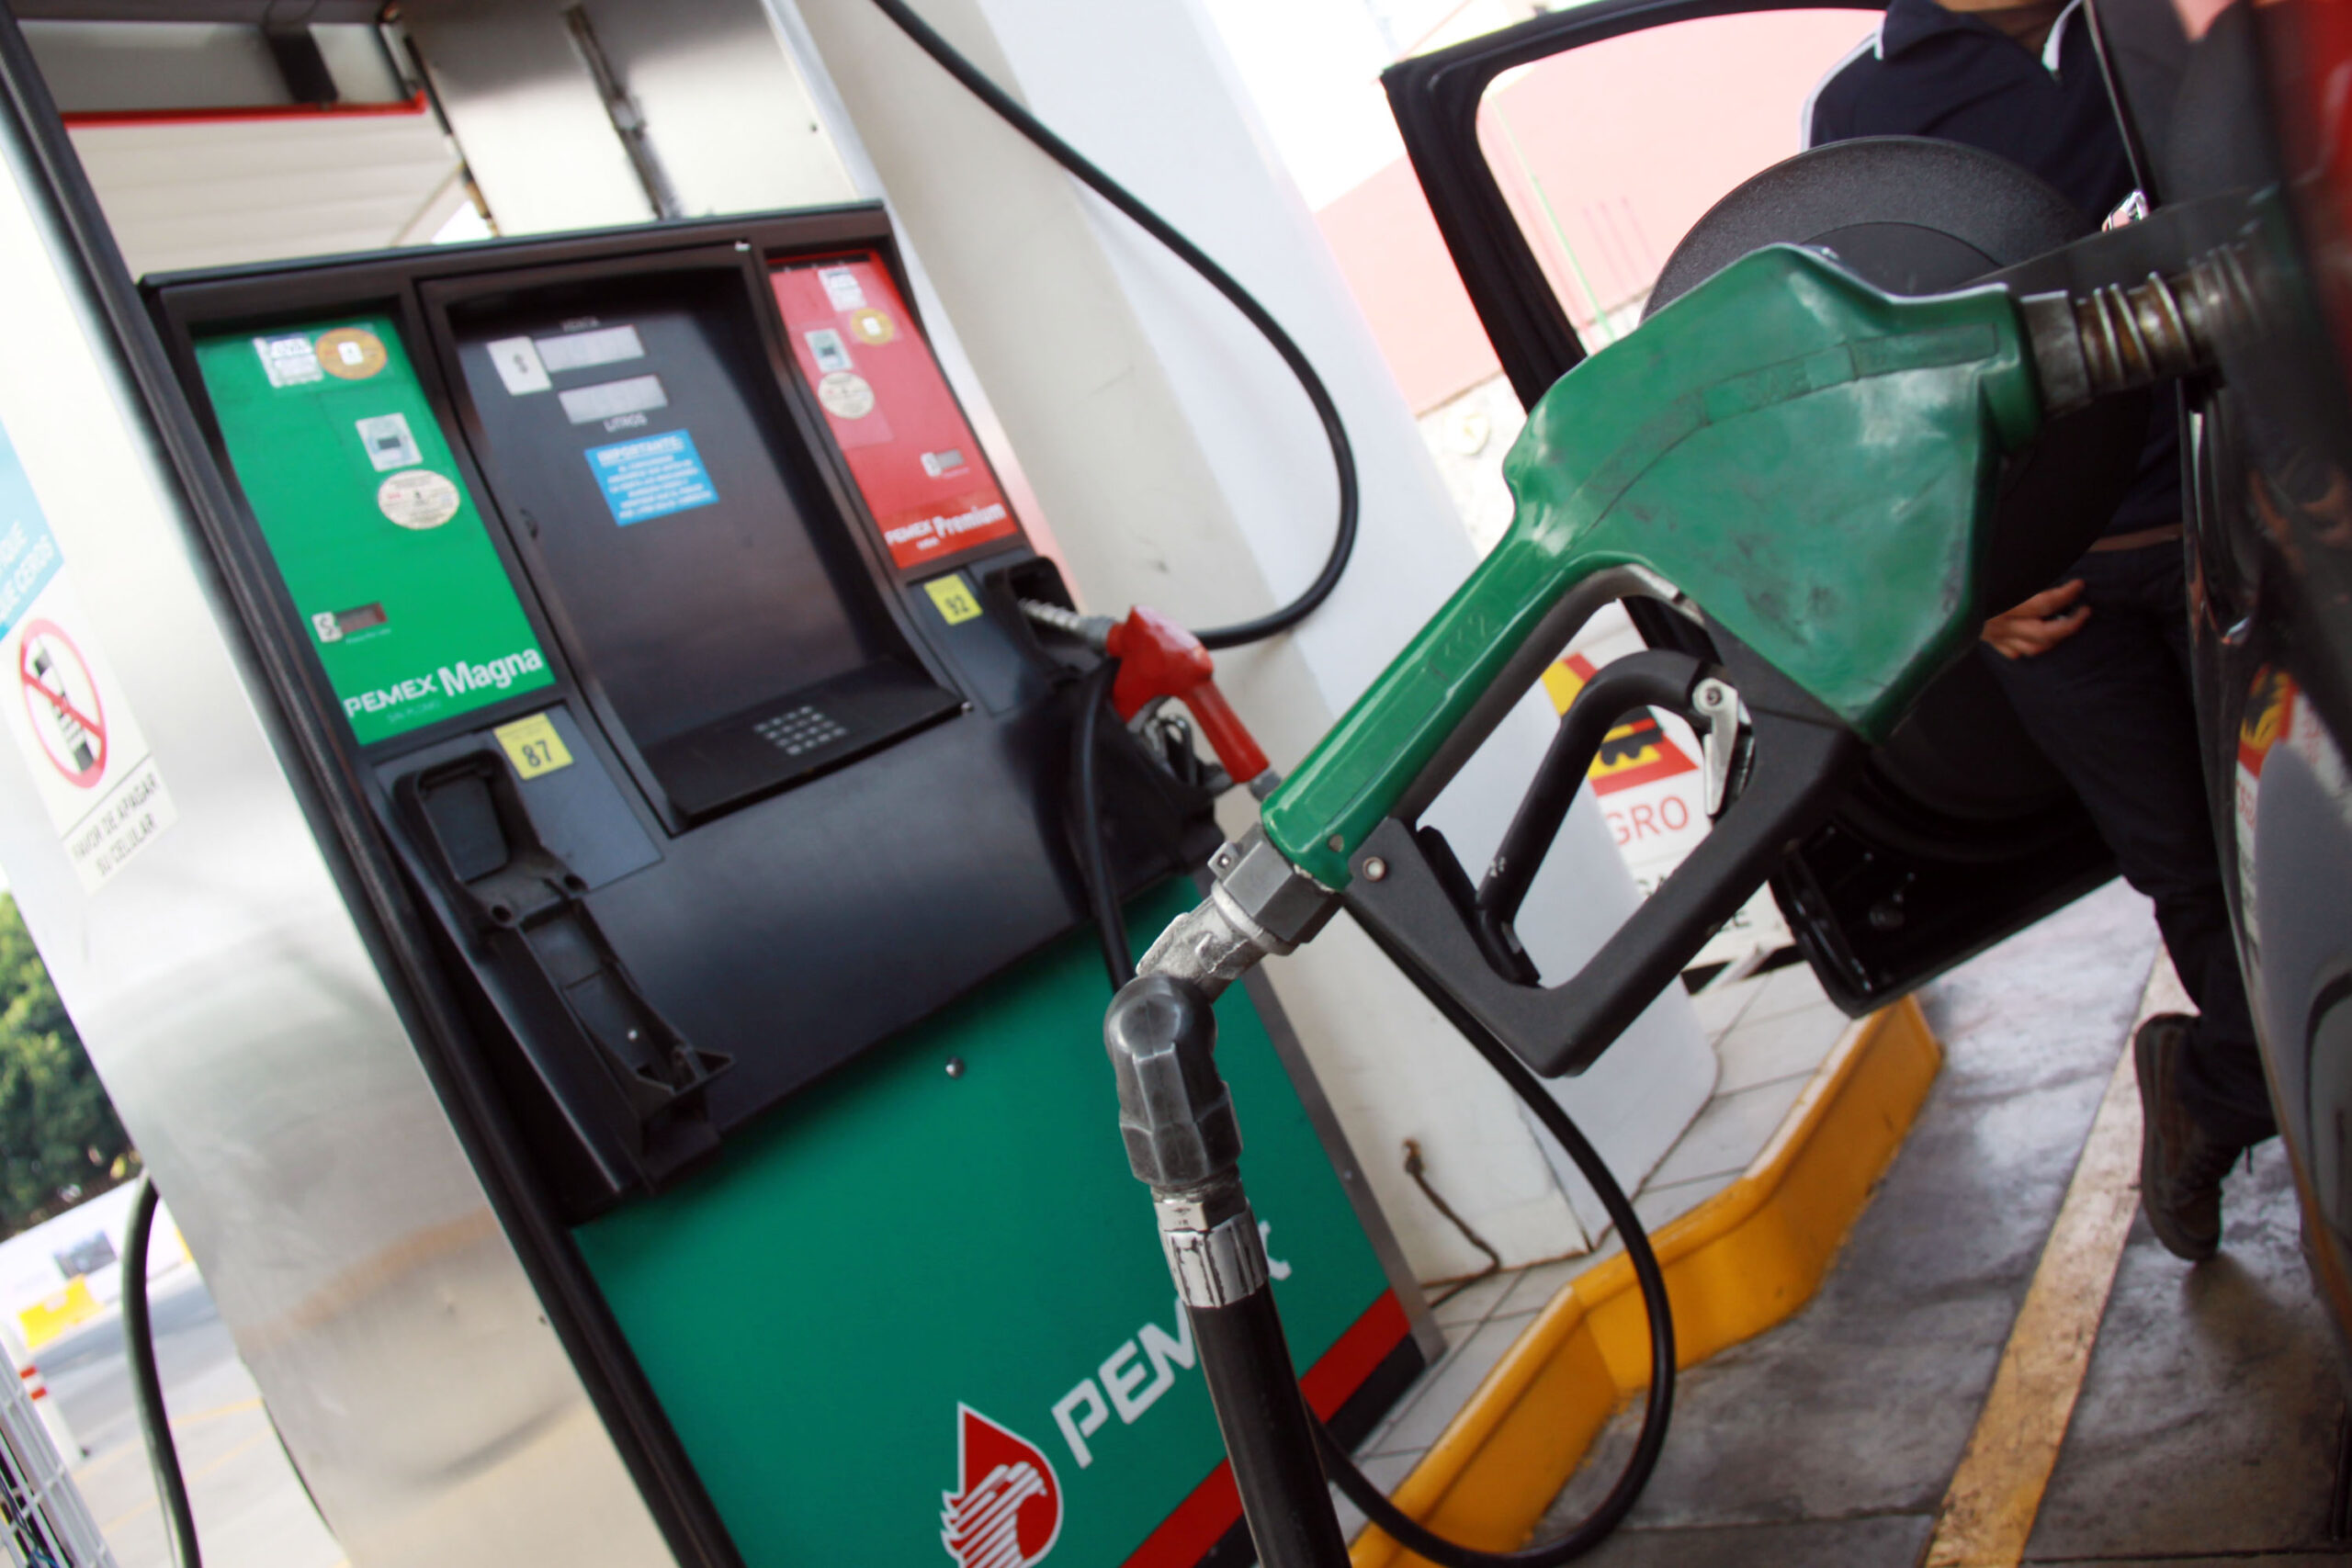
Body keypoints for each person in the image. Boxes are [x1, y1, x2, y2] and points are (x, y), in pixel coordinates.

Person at [1807, 0, 2271, 1261]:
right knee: (2190, 874)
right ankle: (2235, 1086)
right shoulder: (1861, 110)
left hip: (2250, 523)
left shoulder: (2160, 23)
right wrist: (1972, 584)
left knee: (2300, 842)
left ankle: (2225, 1088)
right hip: (2058, 604)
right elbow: (1860, 381)